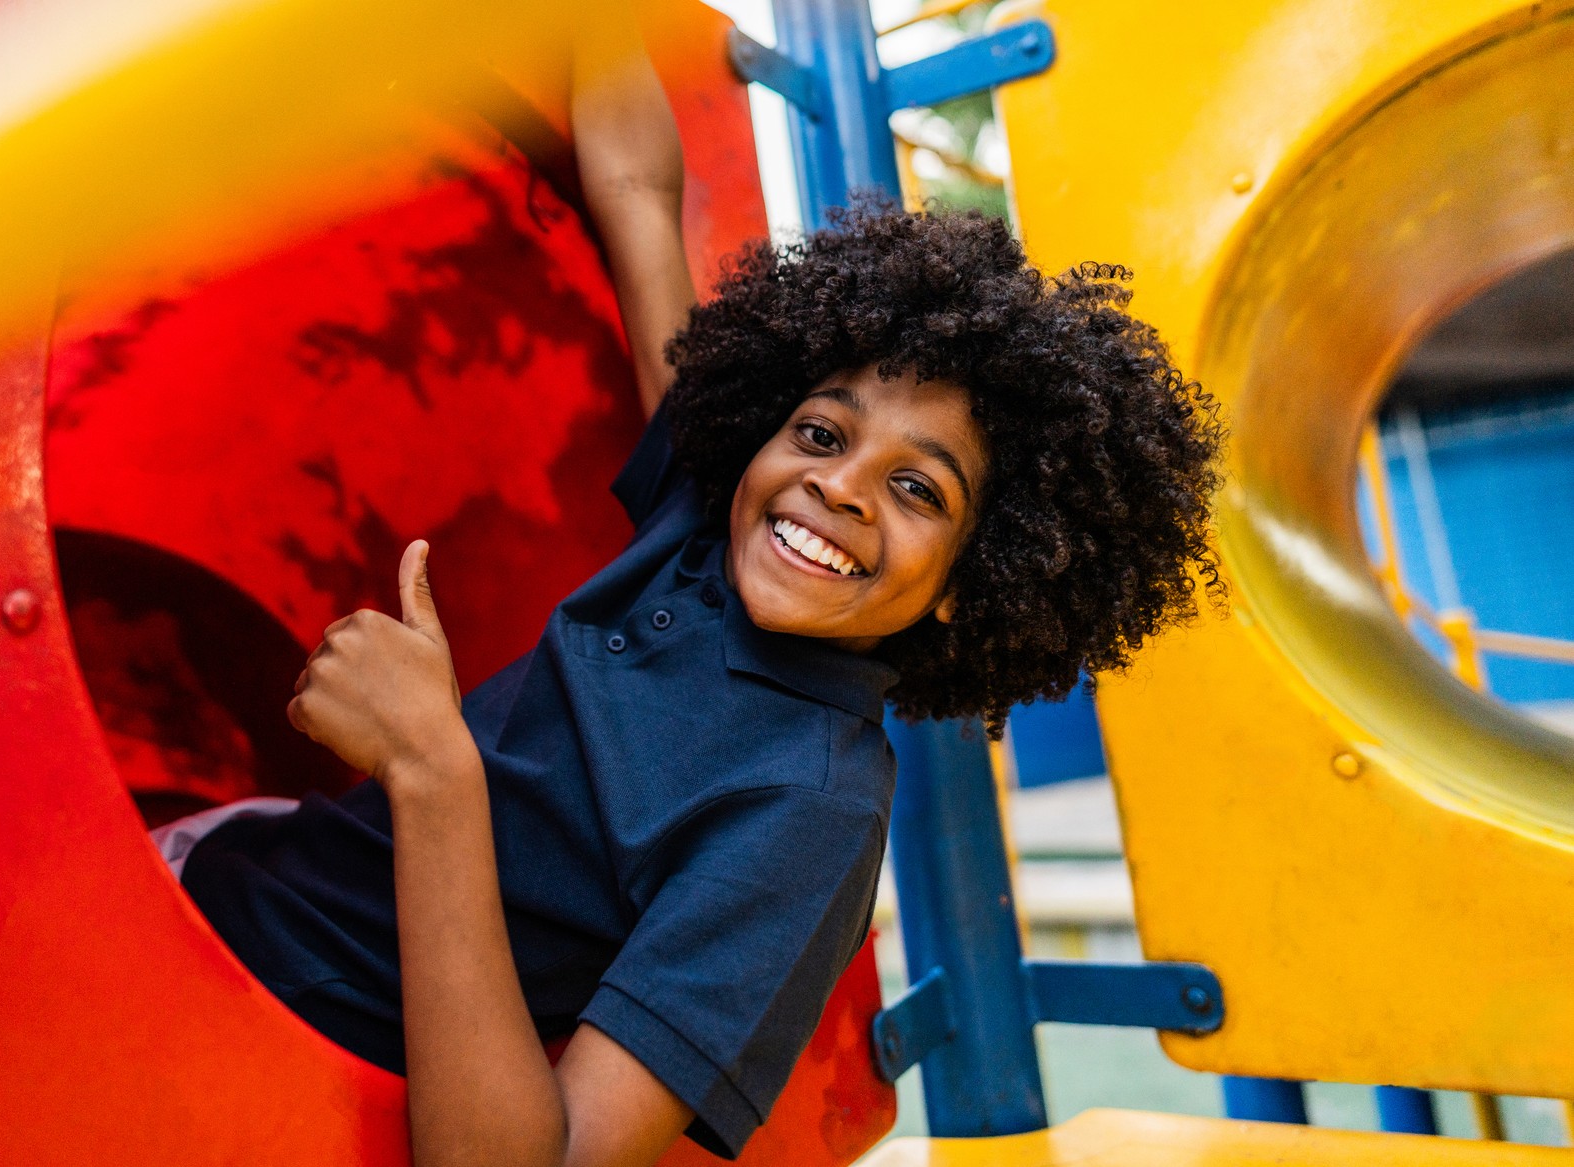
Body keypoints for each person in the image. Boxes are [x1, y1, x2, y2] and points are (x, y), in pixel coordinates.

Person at [161, 7, 1225, 1166]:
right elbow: (634, 195)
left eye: (918, 491)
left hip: (274, 1016)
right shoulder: (703, 520)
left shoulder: (802, 813)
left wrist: (434, 771)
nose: (841, 489)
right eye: (820, 433)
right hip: (234, 867)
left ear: (981, 580)